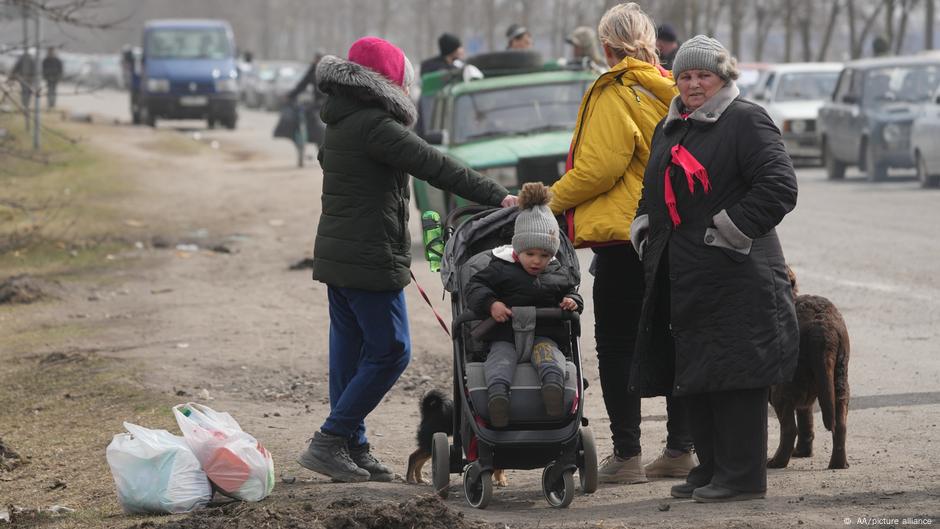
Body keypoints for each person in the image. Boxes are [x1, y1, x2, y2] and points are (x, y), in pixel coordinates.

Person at [297, 36, 518, 483]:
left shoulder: (340, 120)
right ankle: (329, 441)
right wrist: (501, 197)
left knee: (350, 354)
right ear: (389, 83)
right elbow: (436, 165)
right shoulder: (377, 127)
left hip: (340, 256)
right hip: (368, 258)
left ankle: (352, 447)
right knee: (392, 351)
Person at [629, 35, 799, 502]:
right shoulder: (675, 124)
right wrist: (645, 226)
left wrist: (725, 229)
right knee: (699, 371)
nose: (693, 84)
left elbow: (779, 187)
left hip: (737, 271)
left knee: (736, 373)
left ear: (724, 77)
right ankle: (712, 467)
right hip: (687, 273)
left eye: (703, 75)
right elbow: (654, 183)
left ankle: (743, 476)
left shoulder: (746, 120)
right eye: (684, 76)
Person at [548, 2, 695, 485]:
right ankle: (680, 449)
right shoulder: (676, 87)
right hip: (677, 231)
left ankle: (627, 455)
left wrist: (545, 201)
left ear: (607, 46)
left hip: (625, 236)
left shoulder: (614, 90)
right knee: (676, 335)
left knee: (616, 344)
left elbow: (599, 168)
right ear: (651, 43)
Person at [465, 183, 584, 428]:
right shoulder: (499, 268)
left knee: (549, 358)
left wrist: (573, 301)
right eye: (530, 254)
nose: (537, 261)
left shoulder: (557, 272)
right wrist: (492, 304)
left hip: (544, 334)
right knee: (499, 361)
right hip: (504, 334)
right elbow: (475, 287)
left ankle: (553, 391)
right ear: (518, 249)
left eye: (544, 255)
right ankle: (498, 398)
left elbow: (571, 290)